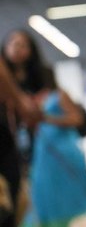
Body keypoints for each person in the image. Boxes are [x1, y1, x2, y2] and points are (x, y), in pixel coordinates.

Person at [22, 73, 86, 226]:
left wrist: (47, 118)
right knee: (46, 190)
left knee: (71, 190)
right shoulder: (31, 98)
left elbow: (77, 119)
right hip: (44, 151)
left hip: (63, 150)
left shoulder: (59, 95)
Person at [0, 31, 45, 227]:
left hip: (13, 138)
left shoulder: (39, 76)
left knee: (13, 189)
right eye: (14, 44)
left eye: (23, 45)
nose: (18, 49)